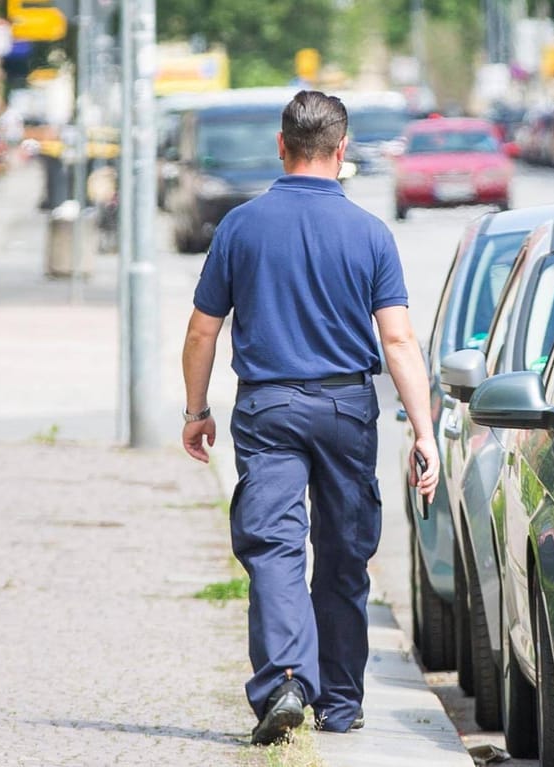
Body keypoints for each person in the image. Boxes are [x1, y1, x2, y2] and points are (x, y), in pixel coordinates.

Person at [180, 90, 438, 746]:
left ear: (280, 145)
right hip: (349, 408)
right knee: (346, 553)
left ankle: (287, 678)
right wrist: (424, 431)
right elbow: (400, 341)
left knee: (274, 543)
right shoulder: (370, 233)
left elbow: (202, 332)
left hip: (267, 407)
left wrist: (197, 410)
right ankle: (342, 702)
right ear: (342, 150)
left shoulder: (241, 226)